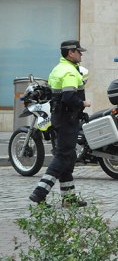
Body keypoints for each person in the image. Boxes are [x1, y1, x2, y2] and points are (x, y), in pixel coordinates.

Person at [29, 40, 92, 206]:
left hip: (59, 117)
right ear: (70, 53)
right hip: (67, 119)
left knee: (69, 156)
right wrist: (82, 104)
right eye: (79, 52)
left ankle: (69, 199)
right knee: (63, 156)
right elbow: (69, 97)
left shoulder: (57, 69)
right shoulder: (70, 72)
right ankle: (40, 192)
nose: (81, 54)